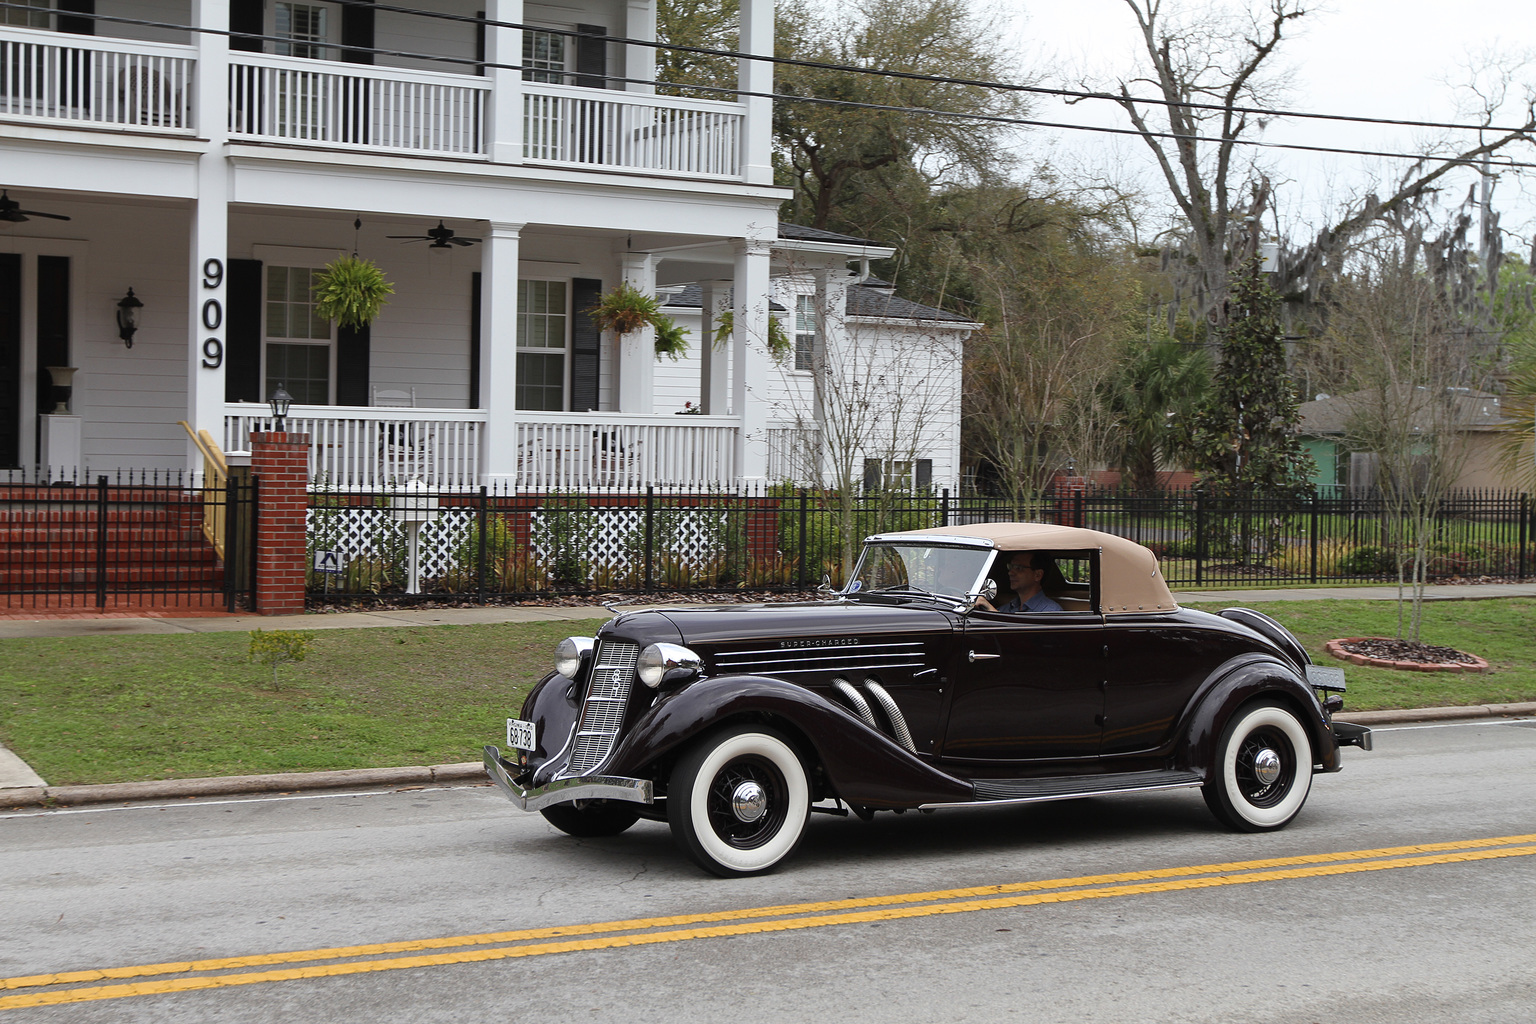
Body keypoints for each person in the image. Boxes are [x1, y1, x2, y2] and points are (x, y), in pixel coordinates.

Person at [978, 552, 1062, 613]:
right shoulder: (1007, 608)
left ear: (1038, 575)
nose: (1010, 572)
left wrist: (992, 611)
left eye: (1019, 568)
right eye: (1010, 567)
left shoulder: (1050, 611)